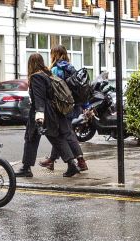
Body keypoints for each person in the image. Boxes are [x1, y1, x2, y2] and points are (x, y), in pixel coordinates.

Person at [26, 53, 79, 177]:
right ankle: (72, 165)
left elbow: (39, 99)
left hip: (44, 113)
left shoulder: (36, 77)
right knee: (57, 138)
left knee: (31, 138)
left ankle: (26, 168)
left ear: (31, 64)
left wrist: (39, 118)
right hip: (54, 112)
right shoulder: (48, 74)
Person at [38, 44, 88, 172]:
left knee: (66, 133)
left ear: (55, 54)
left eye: (52, 54)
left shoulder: (56, 70)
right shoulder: (71, 67)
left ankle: (80, 161)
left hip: (61, 107)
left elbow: (53, 90)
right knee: (61, 133)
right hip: (72, 105)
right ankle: (52, 160)